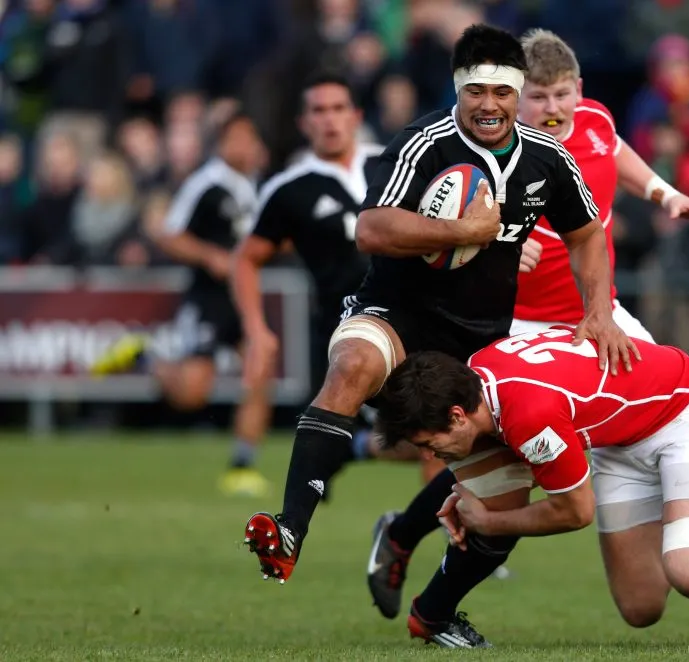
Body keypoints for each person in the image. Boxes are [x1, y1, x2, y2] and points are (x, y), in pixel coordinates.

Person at [366, 27, 689, 631]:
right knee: (490, 453)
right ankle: (403, 538)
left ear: (578, 91)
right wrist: (504, 249)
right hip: (520, 321)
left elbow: (616, 153)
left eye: (563, 95)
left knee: (668, 405)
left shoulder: (594, 122)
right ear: (514, 96)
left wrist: (663, 192)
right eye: (540, 98)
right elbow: (457, 223)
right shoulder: (503, 157)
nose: (554, 109)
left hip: (592, 313)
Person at [241, 24, 636, 638]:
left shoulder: (547, 158)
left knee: (502, 503)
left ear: (517, 92)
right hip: (396, 314)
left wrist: (600, 311)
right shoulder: (423, 145)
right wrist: (463, 232)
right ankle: (291, 527)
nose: (489, 104)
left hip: (478, 351)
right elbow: (370, 229)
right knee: (352, 367)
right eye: (475, 90)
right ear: (458, 89)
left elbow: (587, 236)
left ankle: (435, 612)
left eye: (502, 92)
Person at [373, 328, 689, 649]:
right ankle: (688, 527)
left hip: (686, 414)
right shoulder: (475, 380)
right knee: (641, 609)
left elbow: (574, 512)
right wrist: (468, 490)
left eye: (431, 445)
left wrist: (488, 518)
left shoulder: (530, 414)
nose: (431, 457)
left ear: (456, 416)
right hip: (619, 442)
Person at [230, 70, 433, 478]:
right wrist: (257, 331)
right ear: (305, 123)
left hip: (415, 319)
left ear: (356, 115)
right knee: (422, 436)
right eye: (318, 111)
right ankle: (349, 450)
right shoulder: (290, 189)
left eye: (338, 108)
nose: (329, 119)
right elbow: (245, 259)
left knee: (438, 433)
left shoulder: (395, 162)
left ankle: (364, 460)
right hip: (342, 332)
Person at [91, 112, 270, 496]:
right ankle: (144, 355)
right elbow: (167, 233)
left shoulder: (255, 184)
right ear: (221, 144)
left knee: (262, 366)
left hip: (244, 296)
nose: (244, 147)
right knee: (192, 394)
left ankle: (242, 465)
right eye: (236, 139)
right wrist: (210, 256)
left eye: (249, 139)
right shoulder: (205, 183)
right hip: (209, 298)